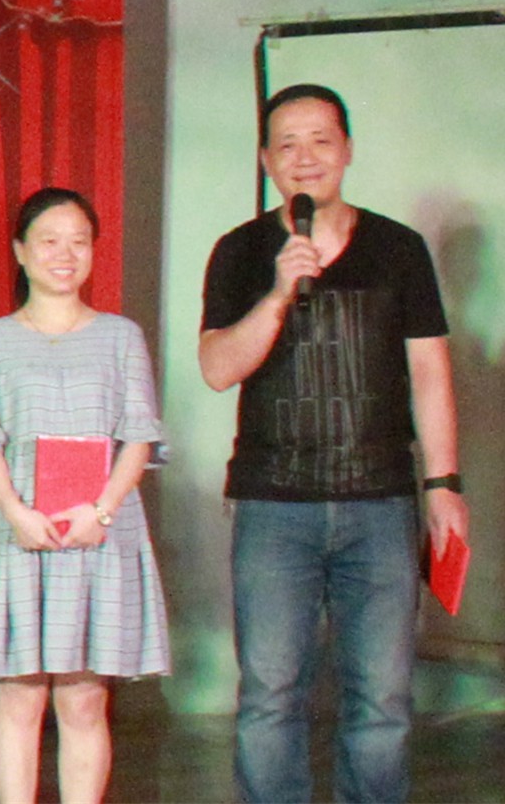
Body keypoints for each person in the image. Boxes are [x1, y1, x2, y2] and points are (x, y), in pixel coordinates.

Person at [196, 83, 469, 804]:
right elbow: (218, 368)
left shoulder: (398, 249)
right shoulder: (241, 252)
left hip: (379, 502)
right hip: (273, 505)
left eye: (320, 140)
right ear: (266, 159)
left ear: (347, 150)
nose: (305, 157)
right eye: (287, 144)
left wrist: (444, 486)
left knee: (382, 698)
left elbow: (429, 373)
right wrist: (278, 294)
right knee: (269, 696)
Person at [0, 187, 167, 804]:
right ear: (21, 251)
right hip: (15, 530)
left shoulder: (121, 336)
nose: (65, 254)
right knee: (19, 695)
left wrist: (101, 512)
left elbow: (139, 435)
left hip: (97, 531)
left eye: (79, 242)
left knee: (85, 698)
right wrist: (17, 512)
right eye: (49, 241)